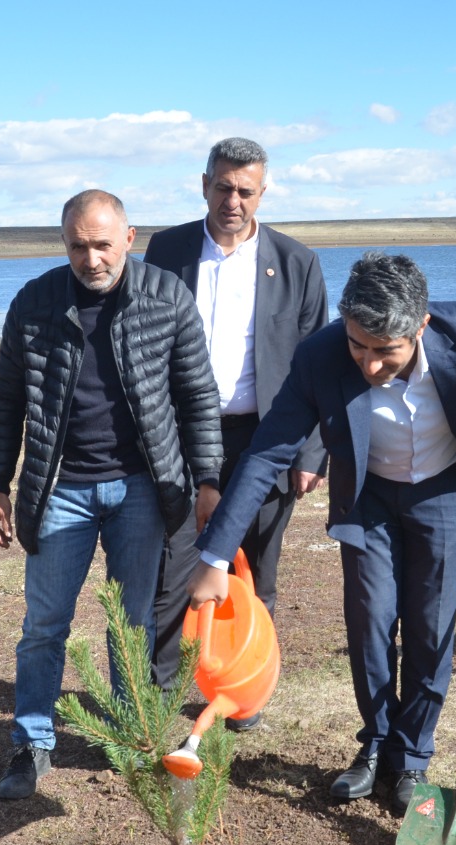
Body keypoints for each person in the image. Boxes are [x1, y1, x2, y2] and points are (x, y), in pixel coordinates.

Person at [188, 252, 456, 813]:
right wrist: (216, 555)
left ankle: (412, 757)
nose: (368, 364)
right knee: (369, 621)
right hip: (367, 496)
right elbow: (268, 454)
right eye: (358, 346)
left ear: (421, 327)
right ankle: (375, 744)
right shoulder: (320, 356)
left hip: (443, 489)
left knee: (430, 625)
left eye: (385, 351)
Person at [0, 190, 221, 799]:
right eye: (78, 247)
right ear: (64, 244)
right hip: (59, 488)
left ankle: (131, 740)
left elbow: (197, 396)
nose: (91, 259)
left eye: (103, 245)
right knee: (44, 624)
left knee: (132, 623)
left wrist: (208, 481)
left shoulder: (167, 297)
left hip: (143, 489)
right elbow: (7, 399)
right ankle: (31, 744)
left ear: (130, 239)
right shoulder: (35, 302)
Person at [145, 137, 328, 719]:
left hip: (267, 439)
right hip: (181, 437)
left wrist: (311, 453)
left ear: (262, 193)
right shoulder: (166, 251)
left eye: (246, 190)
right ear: (205, 185)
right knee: (172, 567)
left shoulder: (297, 263)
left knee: (257, 567)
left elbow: (320, 364)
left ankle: (244, 694)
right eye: (223, 187)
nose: (233, 200)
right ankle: (161, 693)